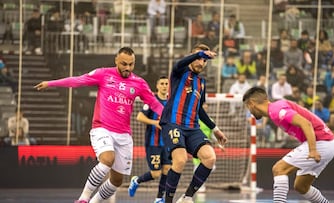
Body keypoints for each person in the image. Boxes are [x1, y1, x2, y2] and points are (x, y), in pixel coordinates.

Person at [34, 47, 164, 203]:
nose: (128, 68)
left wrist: (171, 118)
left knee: (117, 181)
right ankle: (83, 199)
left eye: (131, 64)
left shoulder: (139, 83)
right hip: (102, 128)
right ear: (116, 60)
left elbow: (154, 104)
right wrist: (51, 83)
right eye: (124, 64)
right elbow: (78, 80)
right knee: (107, 159)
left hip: (124, 135)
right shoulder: (103, 74)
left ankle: (93, 202)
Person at [242, 86, 334, 203]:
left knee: (279, 169)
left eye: (248, 107)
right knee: (301, 186)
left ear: (251, 103)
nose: (249, 111)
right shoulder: (276, 109)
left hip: (321, 142)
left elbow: (306, 124)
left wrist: (312, 150)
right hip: (327, 143)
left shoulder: (276, 110)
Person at [159, 44, 227, 203]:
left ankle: (187, 197)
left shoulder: (202, 83)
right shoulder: (179, 72)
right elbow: (180, 63)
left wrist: (215, 129)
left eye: (204, 60)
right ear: (191, 57)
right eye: (198, 58)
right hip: (172, 123)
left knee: (210, 158)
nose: (201, 62)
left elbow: (200, 110)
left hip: (192, 128)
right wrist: (201, 53)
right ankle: (168, 201)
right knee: (180, 160)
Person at [128, 76, 170, 203]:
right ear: (157, 86)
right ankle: (136, 180)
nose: (164, 86)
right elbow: (140, 117)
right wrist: (154, 122)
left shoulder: (171, 102)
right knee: (156, 173)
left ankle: (159, 198)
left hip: (167, 143)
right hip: (153, 143)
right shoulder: (151, 101)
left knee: (167, 170)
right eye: (161, 83)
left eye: (166, 83)